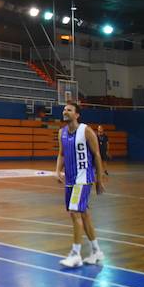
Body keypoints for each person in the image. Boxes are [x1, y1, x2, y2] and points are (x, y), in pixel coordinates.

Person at [55, 101, 105, 268]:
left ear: (77, 115)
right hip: (70, 180)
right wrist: (57, 171)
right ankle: (96, 251)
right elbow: (61, 154)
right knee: (83, 214)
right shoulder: (61, 132)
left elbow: (97, 155)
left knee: (75, 213)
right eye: (64, 109)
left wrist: (99, 179)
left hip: (83, 178)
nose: (65, 111)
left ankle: (75, 254)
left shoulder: (86, 130)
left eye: (69, 110)